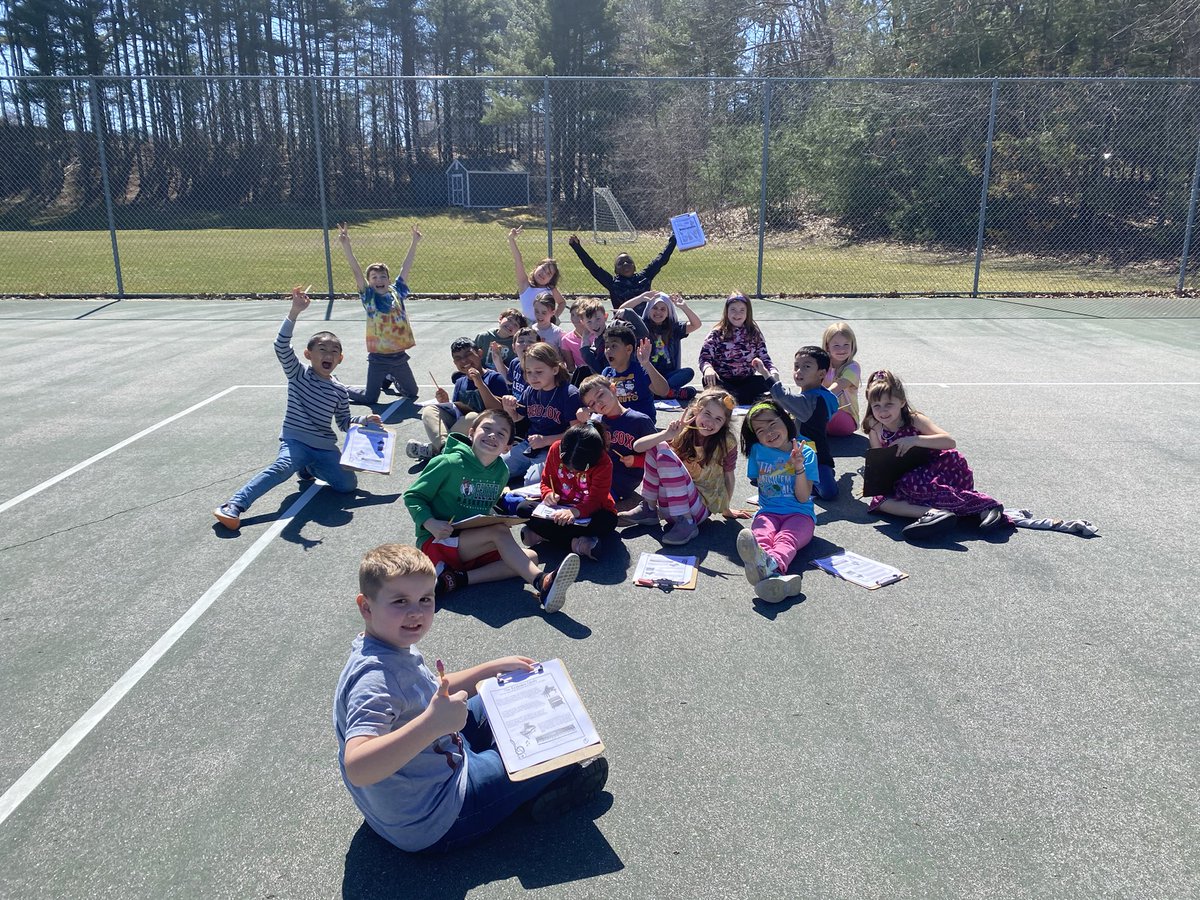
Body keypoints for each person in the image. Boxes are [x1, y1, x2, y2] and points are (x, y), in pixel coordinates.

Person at [333, 544, 607, 854]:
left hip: (426, 770)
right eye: (400, 601)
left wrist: (489, 670)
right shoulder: (375, 680)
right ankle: (550, 788)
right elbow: (357, 766)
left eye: (425, 599)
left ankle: (520, 773)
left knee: (505, 693)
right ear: (366, 607)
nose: (416, 612)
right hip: (438, 815)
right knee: (564, 746)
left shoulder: (387, 644)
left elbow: (425, 690)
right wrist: (431, 724)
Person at [213, 287, 378, 531]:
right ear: (308, 354)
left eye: (334, 352)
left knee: (347, 486)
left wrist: (364, 420)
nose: (328, 354)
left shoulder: (340, 391)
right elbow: (281, 346)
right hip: (296, 443)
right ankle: (234, 505)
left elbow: (344, 422)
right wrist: (294, 312)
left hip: (323, 448)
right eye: (322, 349)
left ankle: (309, 467)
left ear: (340, 359)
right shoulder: (298, 374)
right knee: (282, 467)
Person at [403, 409, 580, 611]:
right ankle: (542, 582)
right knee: (501, 536)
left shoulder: (501, 472)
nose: (492, 435)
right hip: (437, 539)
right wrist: (430, 522)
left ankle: (455, 579)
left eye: (501, 434)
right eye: (486, 428)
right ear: (471, 433)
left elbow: (484, 508)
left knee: (531, 557)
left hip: (468, 541)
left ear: (507, 447)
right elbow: (413, 496)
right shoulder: (448, 462)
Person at [862, 370, 1005, 537]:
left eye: (889, 404)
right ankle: (933, 513)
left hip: (939, 467)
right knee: (880, 502)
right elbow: (879, 457)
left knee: (911, 483)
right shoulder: (874, 425)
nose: (883, 411)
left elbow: (949, 442)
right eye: (876, 406)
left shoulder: (914, 420)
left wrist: (914, 440)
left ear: (901, 402)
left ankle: (984, 507)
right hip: (903, 473)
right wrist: (874, 475)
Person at [626, 388, 749, 545]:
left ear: (724, 423)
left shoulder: (726, 442)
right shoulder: (683, 431)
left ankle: (687, 524)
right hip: (671, 506)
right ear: (696, 411)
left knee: (664, 455)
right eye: (707, 414)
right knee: (657, 445)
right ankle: (649, 509)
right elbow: (637, 447)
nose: (710, 422)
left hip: (698, 511)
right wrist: (666, 435)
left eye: (718, 419)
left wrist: (726, 508)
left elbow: (728, 475)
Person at [736, 400, 819, 603]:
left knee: (786, 539)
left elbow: (802, 497)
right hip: (768, 512)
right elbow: (757, 481)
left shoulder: (806, 452)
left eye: (772, 424)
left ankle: (770, 563)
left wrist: (798, 466)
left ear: (786, 420)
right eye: (760, 430)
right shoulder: (757, 451)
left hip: (800, 515)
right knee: (761, 536)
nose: (768, 432)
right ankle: (771, 575)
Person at [337, 223, 422, 404]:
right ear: (369, 282)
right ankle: (339, 386)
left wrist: (414, 241)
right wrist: (346, 246)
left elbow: (405, 267)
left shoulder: (397, 291)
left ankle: (390, 377)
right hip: (378, 358)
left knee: (412, 393)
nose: (379, 280)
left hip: (399, 356)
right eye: (374, 277)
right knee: (370, 398)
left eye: (383, 276)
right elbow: (356, 272)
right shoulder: (369, 297)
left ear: (389, 279)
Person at [517, 423, 618, 560]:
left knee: (607, 521)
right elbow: (546, 481)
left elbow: (596, 500)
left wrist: (574, 512)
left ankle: (543, 535)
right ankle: (578, 544)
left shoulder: (604, 463)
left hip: (589, 511)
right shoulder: (555, 449)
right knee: (523, 508)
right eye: (567, 466)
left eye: (578, 469)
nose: (571, 471)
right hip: (559, 508)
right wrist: (548, 494)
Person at [752, 346, 839, 500]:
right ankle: (800, 477)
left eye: (806, 366)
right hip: (795, 452)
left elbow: (781, 395)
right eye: (796, 366)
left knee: (829, 493)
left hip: (816, 454)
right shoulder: (823, 394)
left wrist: (765, 373)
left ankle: (808, 481)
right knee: (760, 477)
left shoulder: (811, 400)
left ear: (822, 373)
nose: (799, 371)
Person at [408, 338, 509, 461]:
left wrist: (480, 383)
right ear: (454, 363)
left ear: (480, 353)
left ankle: (432, 450)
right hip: (462, 430)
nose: (464, 360)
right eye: (458, 358)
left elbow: (499, 412)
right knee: (429, 410)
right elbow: (456, 412)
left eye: (468, 354)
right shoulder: (460, 382)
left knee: (472, 417)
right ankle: (443, 448)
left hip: (486, 432)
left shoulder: (494, 378)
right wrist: (445, 403)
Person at [499, 343, 582, 484]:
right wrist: (508, 407)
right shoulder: (531, 391)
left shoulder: (569, 393)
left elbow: (576, 432)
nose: (532, 377)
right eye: (528, 372)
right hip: (529, 446)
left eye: (539, 371)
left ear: (554, 369)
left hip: (555, 450)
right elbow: (518, 417)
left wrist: (546, 440)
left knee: (532, 483)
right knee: (496, 467)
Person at [577, 374, 656, 501]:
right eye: (592, 404)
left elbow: (659, 456)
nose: (599, 403)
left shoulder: (639, 420)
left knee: (595, 501)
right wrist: (583, 423)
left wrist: (636, 461)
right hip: (599, 474)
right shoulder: (597, 423)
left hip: (624, 479)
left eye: (600, 395)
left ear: (613, 389)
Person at [698, 292, 778, 405]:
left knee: (766, 382)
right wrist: (708, 369)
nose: (737, 314)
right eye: (733, 309)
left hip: (747, 381)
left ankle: (728, 400)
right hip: (723, 380)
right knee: (710, 381)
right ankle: (740, 398)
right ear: (727, 311)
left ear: (747, 313)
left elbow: (765, 358)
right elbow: (704, 357)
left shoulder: (754, 334)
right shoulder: (717, 333)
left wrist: (773, 372)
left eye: (742, 310)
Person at [567, 231, 677, 308]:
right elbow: (592, 267)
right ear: (616, 270)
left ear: (635, 267)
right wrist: (577, 247)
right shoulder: (613, 283)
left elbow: (661, 259)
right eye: (621, 263)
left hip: (646, 323)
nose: (625, 264)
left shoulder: (645, 277)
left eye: (629, 262)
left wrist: (674, 239)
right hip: (623, 325)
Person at [628, 291, 701, 398]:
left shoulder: (674, 328)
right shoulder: (641, 326)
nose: (658, 312)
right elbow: (620, 311)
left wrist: (683, 307)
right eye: (655, 308)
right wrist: (640, 298)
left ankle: (658, 392)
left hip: (668, 376)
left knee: (688, 373)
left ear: (668, 312)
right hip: (647, 373)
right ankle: (669, 393)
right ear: (649, 309)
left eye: (663, 309)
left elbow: (696, 324)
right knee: (638, 377)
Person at [600, 321, 669, 421]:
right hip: (617, 424)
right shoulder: (606, 373)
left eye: (614, 346)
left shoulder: (640, 370)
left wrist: (647, 364)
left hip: (640, 424)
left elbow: (663, 391)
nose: (608, 350)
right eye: (606, 347)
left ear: (628, 349)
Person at [508, 225, 565, 320]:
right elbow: (518, 260)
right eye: (543, 269)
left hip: (545, 326)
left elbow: (562, 303)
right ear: (536, 268)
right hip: (528, 327)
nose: (543, 274)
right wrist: (511, 239)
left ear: (551, 279)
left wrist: (554, 318)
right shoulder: (525, 284)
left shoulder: (550, 289)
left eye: (548, 274)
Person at [822, 321, 862, 436]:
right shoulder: (821, 365)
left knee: (823, 411)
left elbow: (838, 386)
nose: (842, 349)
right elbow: (808, 385)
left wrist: (814, 400)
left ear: (852, 345)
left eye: (846, 345)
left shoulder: (853, 367)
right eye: (836, 345)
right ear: (827, 346)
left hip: (846, 420)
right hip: (825, 416)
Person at [490, 325, 538, 397]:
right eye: (521, 341)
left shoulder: (540, 368)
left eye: (531, 341)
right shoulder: (515, 363)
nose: (525, 344)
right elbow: (508, 380)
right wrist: (497, 358)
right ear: (514, 348)